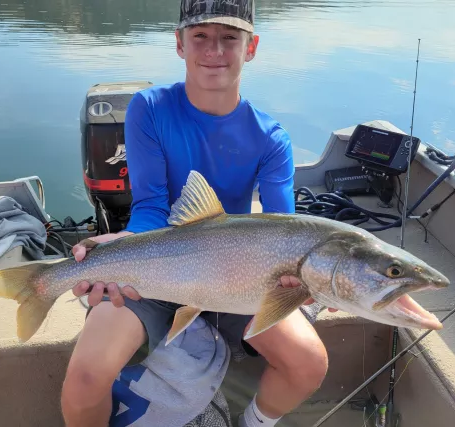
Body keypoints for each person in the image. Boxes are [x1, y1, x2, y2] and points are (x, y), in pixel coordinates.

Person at [60, 1, 334, 426]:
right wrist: (127, 247)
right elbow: (151, 207)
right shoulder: (148, 109)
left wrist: (306, 280)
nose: (214, 51)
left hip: (242, 276)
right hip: (159, 266)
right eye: (200, 36)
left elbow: (286, 230)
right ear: (179, 44)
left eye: (230, 37)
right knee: (84, 379)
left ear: (252, 47)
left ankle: (253, 423)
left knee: (309, 363)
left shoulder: (271, 139)